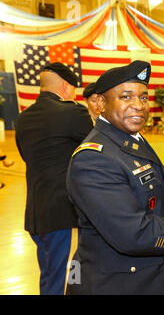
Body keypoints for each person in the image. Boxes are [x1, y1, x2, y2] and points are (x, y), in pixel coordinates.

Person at [65, 60, 164, 295]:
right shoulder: (94, 158)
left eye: (143, 97)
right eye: (126, 97)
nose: (138, 105)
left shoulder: (129, 138)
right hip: (119, 284)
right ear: (101, 103)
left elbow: (148, 189)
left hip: (149, 275)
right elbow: (132, 233)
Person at [15, 62, 93, 294]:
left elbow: (26, 156)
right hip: (64, 211)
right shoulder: (73, 112)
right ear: (67, 87)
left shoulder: (24, 117)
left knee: (51, 273)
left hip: (36, 212)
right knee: (61, 277)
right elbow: (97, 151)